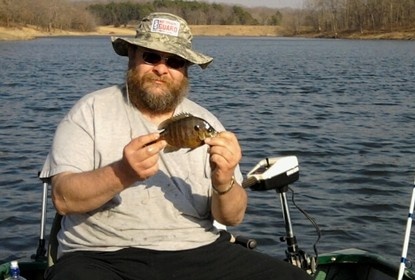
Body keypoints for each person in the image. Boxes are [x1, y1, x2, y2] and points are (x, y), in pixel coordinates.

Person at [40, 12, 312, 280]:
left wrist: (224, 180)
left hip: (199, 251)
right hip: (102, 256)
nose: (161, 68)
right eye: (151, 57)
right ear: (131, 57)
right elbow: (64, 199)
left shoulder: (206, 122)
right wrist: (123, 172)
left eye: (175, 61)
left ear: (185, 70)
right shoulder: (90, 112)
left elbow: (232, 217)